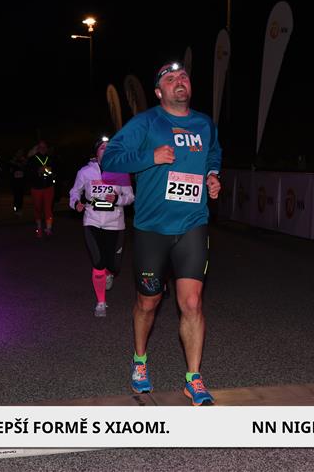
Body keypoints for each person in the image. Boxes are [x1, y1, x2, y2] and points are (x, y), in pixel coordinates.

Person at [101, 61, 222, 406]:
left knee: (192, 302)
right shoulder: (146, 123)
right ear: (159, 92)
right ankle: (140, 360)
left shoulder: (204, 124)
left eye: (183, 76)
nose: (179, 81)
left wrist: (212, 175)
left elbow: (213, 154)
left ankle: (193, 378)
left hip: (192, 224)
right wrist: (149, 156)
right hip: (152, 229)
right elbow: (110, 159)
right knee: (148, 302)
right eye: (170, 79)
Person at [69, 137, 135, 317]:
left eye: (109, 148)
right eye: (102, 148)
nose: (106, 150)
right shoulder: (85, 172)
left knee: (114, 266)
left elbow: (130, 197)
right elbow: (75, 192)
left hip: (116, 223)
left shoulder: (121, 171)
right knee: (98, 262)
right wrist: (76, 203)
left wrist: (118, 199)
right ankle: (101, 302)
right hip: (92, 221)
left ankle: (109, 272)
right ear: (96, 152)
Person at [27, 140, 56, 237]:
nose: (43, 149)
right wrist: (37, 171)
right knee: (38, 208)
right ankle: (39, 228)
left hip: (48, 187)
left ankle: (48, 229)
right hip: (36, 188)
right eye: (40, 147)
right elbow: (28, 173)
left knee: (48, 208)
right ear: (37, 148)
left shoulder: (50, 158)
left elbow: (56, 170)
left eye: (44, 147)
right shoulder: (32, 159)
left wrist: (51, 171)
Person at [9, 149, 27, 216]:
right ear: (16, 153)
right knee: (16, 195)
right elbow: (10, 170)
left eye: (21, 153)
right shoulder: (13, 160)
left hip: (22, 182)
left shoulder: (24, 160)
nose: (20, 154)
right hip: (15, 182)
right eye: (18, 152)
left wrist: (22, 163)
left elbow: (26, 168)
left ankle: (20, 208)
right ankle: (16, 208)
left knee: (21, 195)